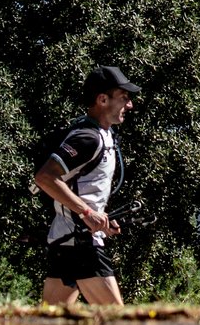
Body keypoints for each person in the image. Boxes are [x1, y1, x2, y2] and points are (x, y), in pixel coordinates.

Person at [32, 65, 140, 306]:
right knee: (115, 320)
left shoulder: (105, 135)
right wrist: (88, 214)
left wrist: (101, 218)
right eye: (124, 98)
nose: (130, 105)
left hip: (67, 240)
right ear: (102, 99)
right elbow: (45, 177)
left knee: (52, 323)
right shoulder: (87, 137)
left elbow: (84, 188)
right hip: (81, 243)